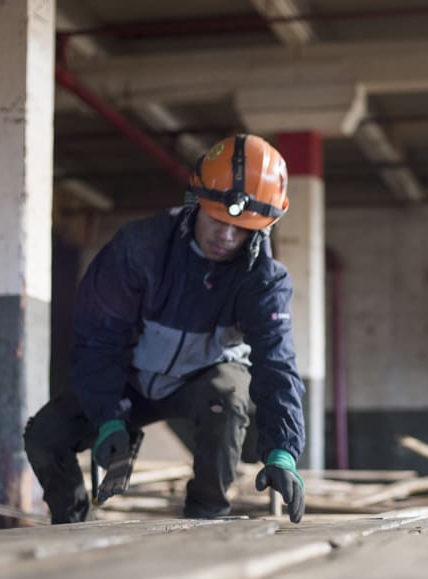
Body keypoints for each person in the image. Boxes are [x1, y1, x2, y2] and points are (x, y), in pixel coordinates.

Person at [24, 134, 306, 524]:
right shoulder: (138, 249)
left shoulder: (265, 282)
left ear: (262, 230)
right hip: (131, 380)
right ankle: (70, 524)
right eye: (218, 219)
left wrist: (283, 452)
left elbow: (277, 366)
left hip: (201, 384)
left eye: (241, 229)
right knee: (45, 434)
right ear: (196, 202)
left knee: (227, 395)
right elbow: (98, 340)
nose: (226, 236)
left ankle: (205, 519)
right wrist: (109, 418)